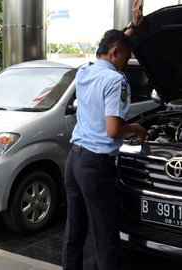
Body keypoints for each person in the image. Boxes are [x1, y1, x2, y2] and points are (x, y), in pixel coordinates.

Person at [61, 1, 146, 269]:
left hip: (74, 162)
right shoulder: (115, 81)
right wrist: (137, 128)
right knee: (106, 236)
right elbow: (113, 129)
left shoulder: (85, 71)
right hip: (97, 167)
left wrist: (132, 27)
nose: (127, 63)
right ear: (115, 53)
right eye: (126, 57)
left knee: (74, 231)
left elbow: (111, 45)